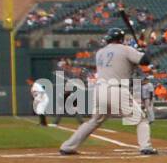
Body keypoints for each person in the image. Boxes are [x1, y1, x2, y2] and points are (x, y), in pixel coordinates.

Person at [59, 28, 156, 156]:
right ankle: (146, 147)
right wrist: (144, 50)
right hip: (117, 90)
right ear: (121, 39)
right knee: (141, 119)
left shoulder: (100, 52)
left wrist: (140, 52)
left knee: (93, 121)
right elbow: (146, 61)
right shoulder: (125, 49)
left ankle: (67, 147)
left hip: (99, 90)